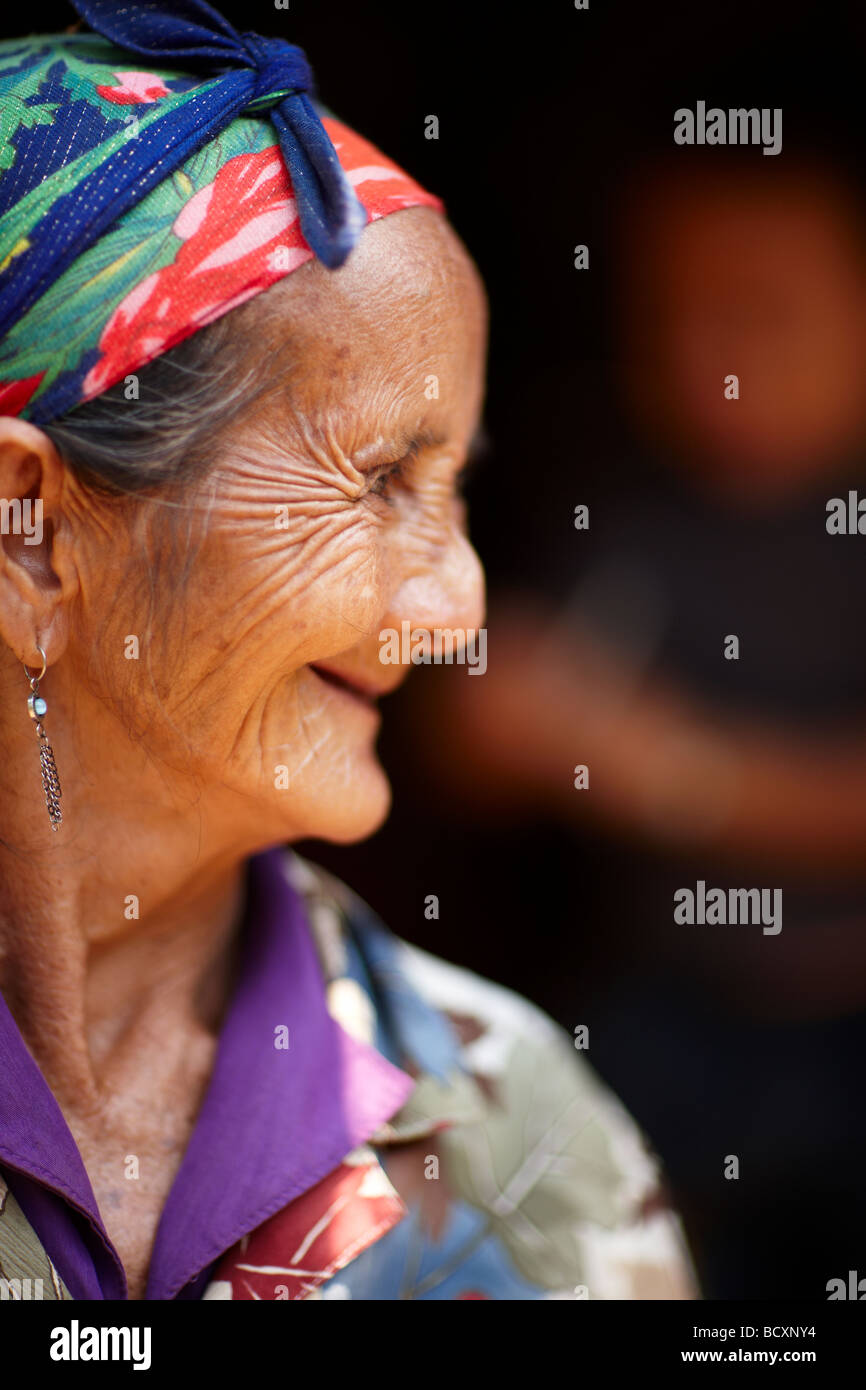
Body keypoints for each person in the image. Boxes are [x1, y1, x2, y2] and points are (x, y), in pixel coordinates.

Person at [0, 0, 695, 1301]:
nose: (461, 607)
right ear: (31, 530)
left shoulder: (520, 1134)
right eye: (379, 478)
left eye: (458, 489)